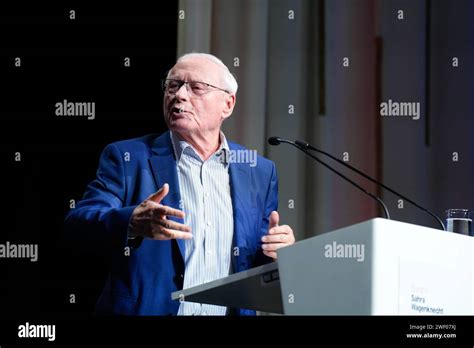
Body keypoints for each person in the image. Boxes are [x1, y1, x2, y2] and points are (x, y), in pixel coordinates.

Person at [64, 53, 295, 315]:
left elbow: (252, 264)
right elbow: (78, 225)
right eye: (173, 85)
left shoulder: (260, 171)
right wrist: (131, 222)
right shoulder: (128, 158)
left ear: (227, 105)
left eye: (196, 88)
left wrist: (276, 255)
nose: (179, 95)